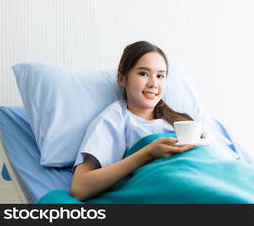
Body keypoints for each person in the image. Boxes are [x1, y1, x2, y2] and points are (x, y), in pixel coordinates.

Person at [70, 40, 237, 201]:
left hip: (209, 180)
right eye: (143, 73)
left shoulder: (184, 120)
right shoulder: (115, 119)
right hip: (171, 187)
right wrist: (148, 153)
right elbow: (79, 188)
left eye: (160, 76)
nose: (153, 83)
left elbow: (220, 162)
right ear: (122, 78)